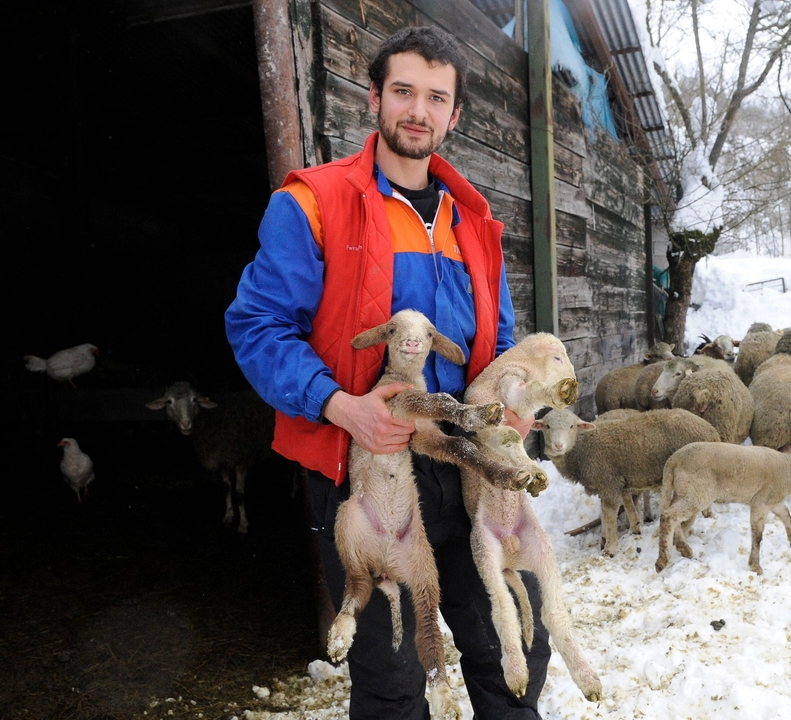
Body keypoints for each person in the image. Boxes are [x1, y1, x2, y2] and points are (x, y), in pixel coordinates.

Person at [225, 26, 551, 719]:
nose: (418, 111)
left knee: (513, 640)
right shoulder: (314, 202)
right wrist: (341, 405)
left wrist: (513, 400)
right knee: (396, 670)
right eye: (403, 91)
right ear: (373, 98)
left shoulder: (475, 221)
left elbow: (496, 342)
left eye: (436, 98)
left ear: (455, 114)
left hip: (461, 463)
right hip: (366, 467)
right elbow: (254, 327)